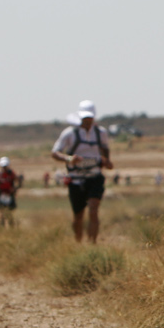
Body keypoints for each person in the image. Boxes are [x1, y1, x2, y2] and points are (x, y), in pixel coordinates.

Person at [51, 101, 114, 243]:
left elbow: (105, 148)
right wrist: (69, 159)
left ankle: (93, 244)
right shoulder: (69, 133)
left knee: (93, 209)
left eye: (90, 118)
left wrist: (107, 160)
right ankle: (78, 242)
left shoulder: (100, 133)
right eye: (85, 118)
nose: (87, 121)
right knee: (78, 216)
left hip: (95, 177)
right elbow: (55, 152)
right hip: (76, 179)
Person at [0, 156, 23, 227]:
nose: (4, 168)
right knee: (2, 212)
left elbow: (19, 182)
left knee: (9, 212)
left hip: (9, 195)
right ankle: (2, 226)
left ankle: (11, 226)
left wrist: (15, 189)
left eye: (5, 166)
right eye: (3, 166)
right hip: (1, 194)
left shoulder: (11, 173)